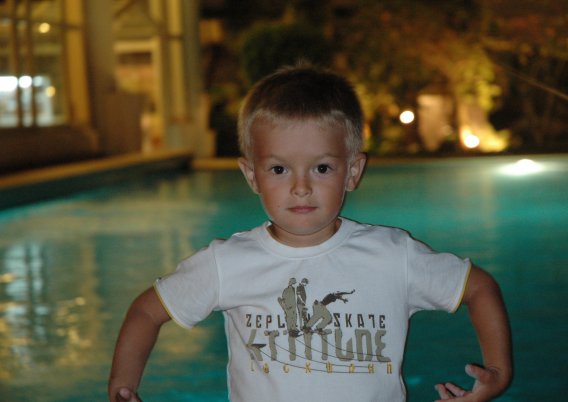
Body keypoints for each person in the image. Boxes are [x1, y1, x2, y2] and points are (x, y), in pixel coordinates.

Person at [108, 65, 512, 402]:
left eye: (321, 168)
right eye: (279, 169)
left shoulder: (393, 256)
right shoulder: (227, 263)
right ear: (251, 175)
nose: (300, 187)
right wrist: (123, 389)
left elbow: (478, 287)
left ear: (352, 171)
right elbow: (147, 311)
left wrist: (498, 372)